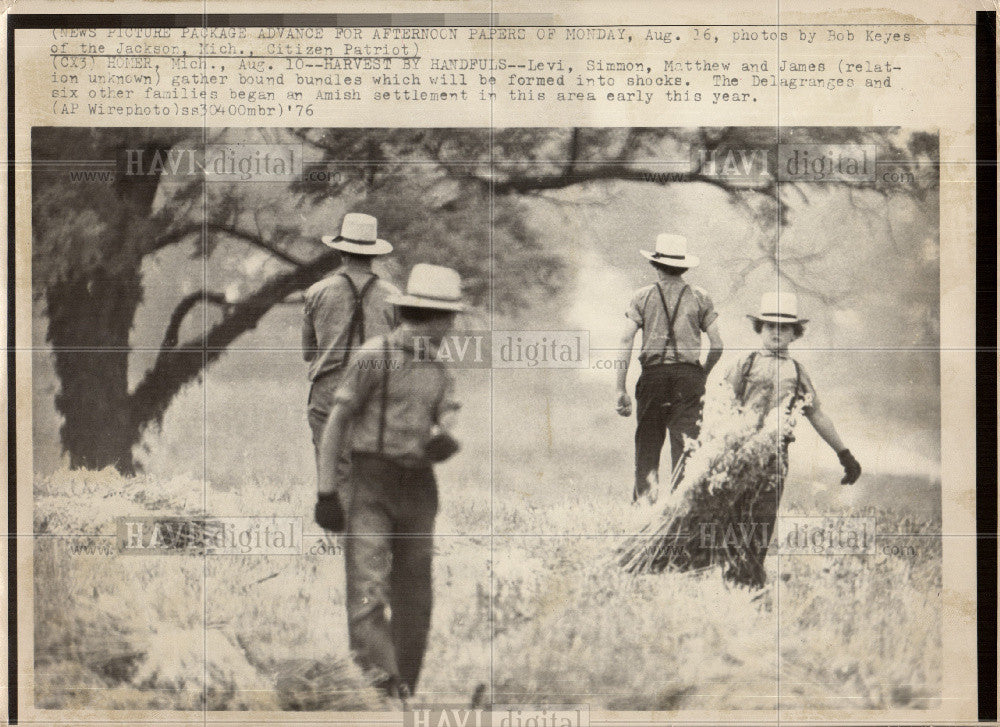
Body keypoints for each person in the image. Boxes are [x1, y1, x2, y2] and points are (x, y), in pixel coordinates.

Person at [314, 263, 464, 700]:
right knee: (368, 591)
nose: (452, 326)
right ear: (432, 317)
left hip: (419, 488)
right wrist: (327, 492)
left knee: (416, 595)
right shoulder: (373, 357)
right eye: (448, 317)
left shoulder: (439, 370)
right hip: (371, 483)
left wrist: (447, 439)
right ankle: (377, 688)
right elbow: (337, 422)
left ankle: (403, 693)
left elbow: (449, 420)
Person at [721, 290, 862, 585]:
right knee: (734, 515)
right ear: (760, 328)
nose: (775, 333)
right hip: (738, 451)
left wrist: (844, 454)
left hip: (775, 456)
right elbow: (722, 403)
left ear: (795, 334)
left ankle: (751, 578)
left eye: (783, 327)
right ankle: (732, 576)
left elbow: (817, 414)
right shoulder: (745, 363)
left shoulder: (797, 373)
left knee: (763, 518)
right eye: (770, 326)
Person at [615, 233, 725, 503]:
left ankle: (643, 513)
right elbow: (718, 345)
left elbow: (626, 338)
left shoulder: (641, 297)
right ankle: (681, 516)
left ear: (655, 264)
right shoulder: (700, 297)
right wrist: (702, 374)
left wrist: (620, 388)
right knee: (686, 450)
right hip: (688, 380)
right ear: (684, 266)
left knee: (648, 449)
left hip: (653, 376)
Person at [302, 212, 398, 495]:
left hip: (328, 391)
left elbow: (308, 352)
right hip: (375, 392)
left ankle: (336, 538)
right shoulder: (393, 296)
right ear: (373, 254)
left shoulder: (316, 292)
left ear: (341, 251)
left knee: (332, 472)